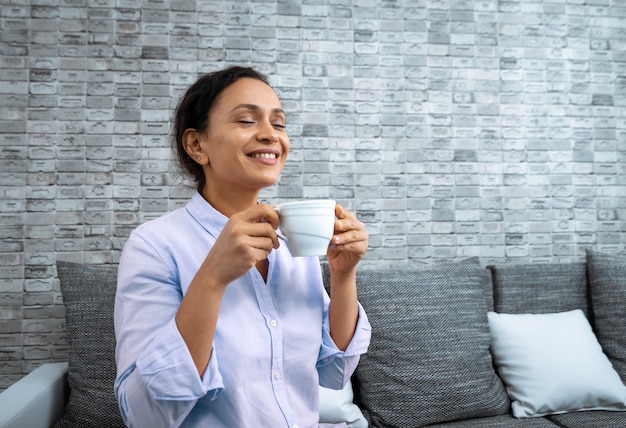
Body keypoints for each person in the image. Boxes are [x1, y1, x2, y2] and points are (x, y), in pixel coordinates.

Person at [114, 65, 372, 428]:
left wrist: (343, 275)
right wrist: (213, 278)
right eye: (247, 120)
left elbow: (333, 371)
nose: (270, 135)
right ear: (197, 145)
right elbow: (144, 416)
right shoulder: (155, 246)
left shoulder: (292, 242)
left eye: (279, 124)